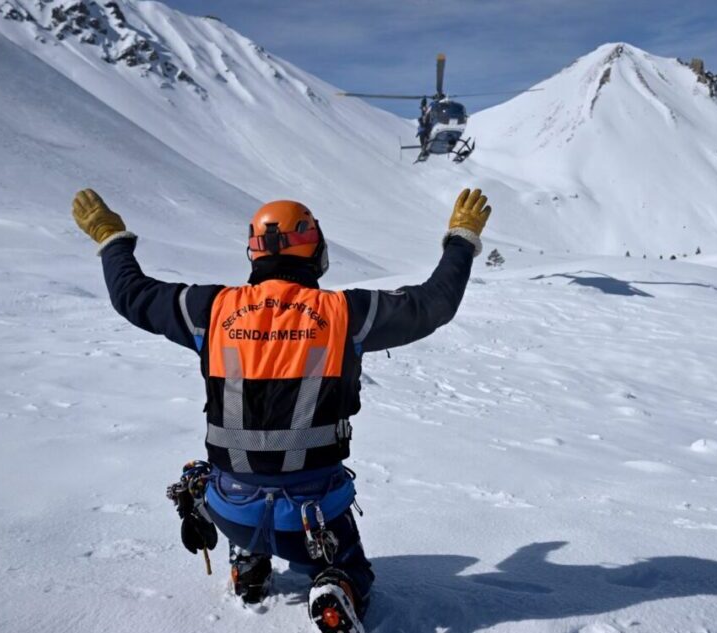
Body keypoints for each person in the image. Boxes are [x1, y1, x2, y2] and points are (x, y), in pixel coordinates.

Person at [71, 187, 492, 632]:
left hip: (231, 509)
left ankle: (249, 562)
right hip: (312, 519)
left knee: (218, 479)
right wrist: (462, 239)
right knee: (349, 566)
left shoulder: (210, 311)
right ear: (315, 250)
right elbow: (433, 305)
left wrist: (109, 236)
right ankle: (338, 587)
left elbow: (131, 294)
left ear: (253, 252)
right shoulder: (344, 314)